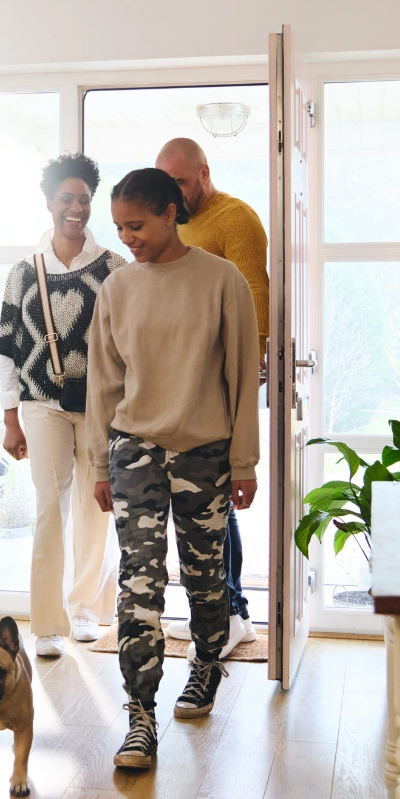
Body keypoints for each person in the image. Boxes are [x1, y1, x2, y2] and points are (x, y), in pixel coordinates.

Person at [88, 168, 261, 769]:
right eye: (119, 227)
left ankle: (207, 663)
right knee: (139, 580)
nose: (127, 238)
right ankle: (140, 716)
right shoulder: (116, 289)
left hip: (205, 450)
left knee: (204, 575)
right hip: (134, 447)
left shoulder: (222, 281)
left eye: (136, 225)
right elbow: (104, 384)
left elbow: (242, 377)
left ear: (170, 213)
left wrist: (244, 461)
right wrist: (100, 464)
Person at [0, 154, 130, 659]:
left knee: (96, 509)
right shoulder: (22, 273)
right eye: (66, 199)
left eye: (84, 200)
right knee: (49, 508)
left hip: (99, 407)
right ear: (49, 203)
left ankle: (85, 610)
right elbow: (7, 348)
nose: (76, 208)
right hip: (41, 404)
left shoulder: (115, 267)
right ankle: (48, 624)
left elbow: (128, 341)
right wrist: (10, 419)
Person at [155, 137, 269, 654]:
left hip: (219, 386)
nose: (173, 192)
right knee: (200, 508)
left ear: (204, 172)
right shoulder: (171, 223)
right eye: (166, 182)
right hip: (181, 387)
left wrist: (246, 369)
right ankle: (217, 610)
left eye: (180, 181)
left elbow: (255, 298)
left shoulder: (235, 219)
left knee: (219, 504)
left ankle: (234, 612)